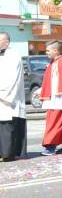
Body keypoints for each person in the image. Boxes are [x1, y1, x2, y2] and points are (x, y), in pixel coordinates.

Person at [0, 32, 26, 162]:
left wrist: (3, 93)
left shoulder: (13, 56)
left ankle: (8, 153)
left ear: (6, 42)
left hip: (8, 98)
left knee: (7, 125)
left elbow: (11, 78)